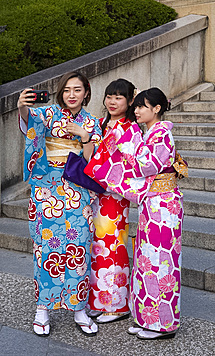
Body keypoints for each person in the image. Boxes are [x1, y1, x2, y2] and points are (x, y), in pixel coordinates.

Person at [87, 87, 188, 338]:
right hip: (153, 204)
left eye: (143, 106)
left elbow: (147, 166)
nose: (137, 110)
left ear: (157, 109)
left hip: (164, 206)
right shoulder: (150, 133)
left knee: (160, 264)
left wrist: (125, 141)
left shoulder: (162, 133)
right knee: (146, 262)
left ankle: (163, 325)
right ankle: (147, 318)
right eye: (137, 106)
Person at [18, 71, 102, 337]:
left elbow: (94, 161)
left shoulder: (92, 122)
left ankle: (78, 308)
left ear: (86, 93)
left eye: (77, 90)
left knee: (79, 248)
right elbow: (29, 123)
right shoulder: (49, 113)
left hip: (77, 189)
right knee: (45, 247)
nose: (71, 95)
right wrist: (22, 107)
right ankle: (43, 308)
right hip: (47, 188)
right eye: (66, 90)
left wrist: (84, 136)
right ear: (60, 93)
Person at [84, 78, 136, 323]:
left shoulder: (129, 128)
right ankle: (98, 300)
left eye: (119, 97)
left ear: (130, 100)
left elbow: (125, 165)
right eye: (109, 96)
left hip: (114, 194)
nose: (113, 102)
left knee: (113, 245)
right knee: (98, 247)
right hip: (98, 193)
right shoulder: (103, 123)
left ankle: (117, 304)